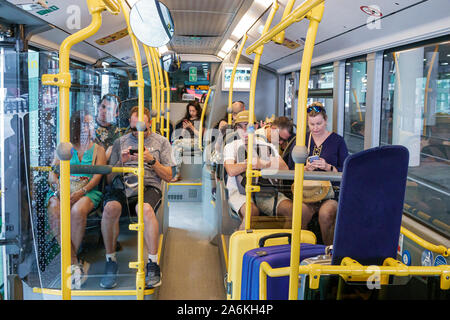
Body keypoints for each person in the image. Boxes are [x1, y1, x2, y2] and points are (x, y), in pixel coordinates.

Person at [100, 106, 174, 289]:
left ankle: (152, 263)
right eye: (134, 129)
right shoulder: (120, 142)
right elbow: (108, 178)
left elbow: (168, 176)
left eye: (142, 128)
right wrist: (121, 163)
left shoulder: (162, 142)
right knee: (110, 209)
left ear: (150, 123)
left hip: (149, 185)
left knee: (145, 210)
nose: (138, 133)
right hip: (122, 185)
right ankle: (111, 260)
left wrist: (151, 160)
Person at [47, 110, 107, 289]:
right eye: (83, 124)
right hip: (64, 190)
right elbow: (52, 173)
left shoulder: (99, 150)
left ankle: (70, 261)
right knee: (54, 207)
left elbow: (97, 177)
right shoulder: (65, 147)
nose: (87, 128)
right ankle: (74, 261)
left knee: (77, 210)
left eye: (90, 124)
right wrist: (60, 188)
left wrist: (82, 192)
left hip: (88, 192)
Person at [223, 111, 293, 230]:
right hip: (240, 193)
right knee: (251, 212)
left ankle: (285, 246)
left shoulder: (268, 146)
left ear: (255, 126)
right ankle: (241, 245)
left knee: (291, 210)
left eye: (248, 126)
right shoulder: (231, 146)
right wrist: (250, 163)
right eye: (240, 127)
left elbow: (284, 167)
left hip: (265, 193)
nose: (244, 131)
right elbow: (231, 170)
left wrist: (261, 163)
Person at [295, 102, 349, 245]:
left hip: (332, 193)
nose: (315, 128)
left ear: (326, 121)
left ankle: (329, 252)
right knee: (299, 213)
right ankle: (299, 251)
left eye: (319, 123)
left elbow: (346, 170)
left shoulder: (338, 141)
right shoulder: (301, 140)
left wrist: (328, 167)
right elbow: (290, 167)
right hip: (308, 192)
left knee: (326, 214)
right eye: (312, 124)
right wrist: (305, 169)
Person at [171, 101, 204, 182]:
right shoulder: (186, 120)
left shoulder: (200, 120)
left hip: (196, 142)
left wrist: (192, 127)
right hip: (185, 141)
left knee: (175, 143)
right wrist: (184, 129)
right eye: (190, 111)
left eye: (193, 111)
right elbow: (182, 136)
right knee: (178, 150)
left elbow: (200, 136)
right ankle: (177, 173)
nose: (191, 113)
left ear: (197, 111)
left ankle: (173, 170)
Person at [94, 94, 124, 161]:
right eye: (103, 106)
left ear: (116, 113)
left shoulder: (117, 133)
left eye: (109, 109)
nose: (104, 111)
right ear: (98, 107)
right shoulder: (87, 124)